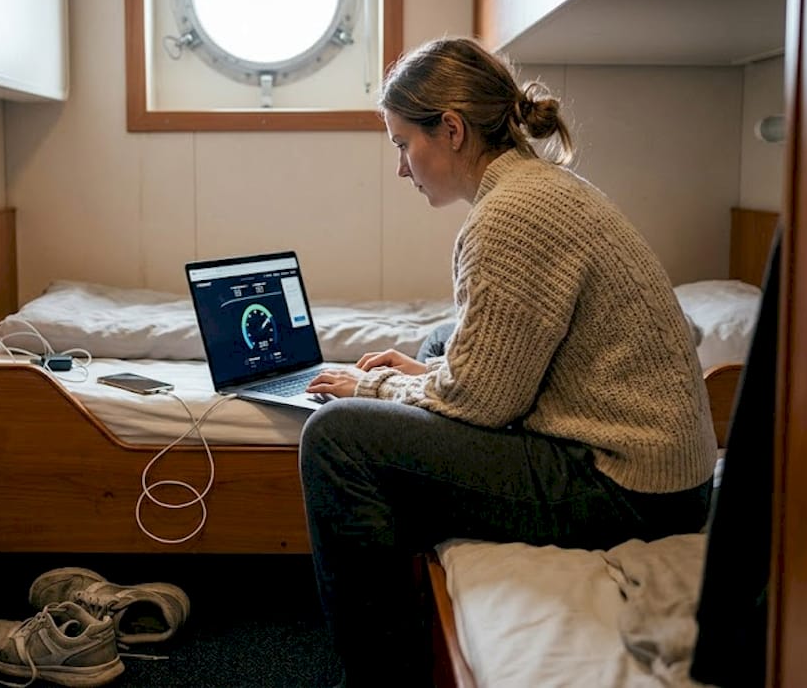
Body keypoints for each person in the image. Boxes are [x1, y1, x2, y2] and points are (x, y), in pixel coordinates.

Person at [300, 36, 716, 687]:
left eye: (404, 146)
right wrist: (425, 373)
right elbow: (500, 360)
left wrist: (373, 384)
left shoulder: (511, 215)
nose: (402, 170)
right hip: (660, 476)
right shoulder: (542, 188)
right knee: (440, 340)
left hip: (628, 489)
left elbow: (481, 405)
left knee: (336, 439)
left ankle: (384, 676)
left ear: (454, 130)